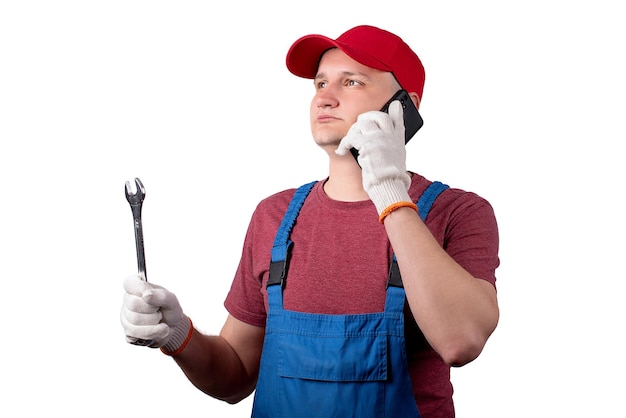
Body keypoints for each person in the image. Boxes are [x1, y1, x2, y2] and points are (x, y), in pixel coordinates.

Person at [120, 25, 500, 418]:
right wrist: (179, 335)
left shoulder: (457, 213)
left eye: (351, 81)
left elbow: (461, 341)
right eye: (320, 83)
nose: (325, 97)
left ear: (404, 107)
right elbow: (234, 378)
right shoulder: (275, 217)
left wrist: (388, 190)